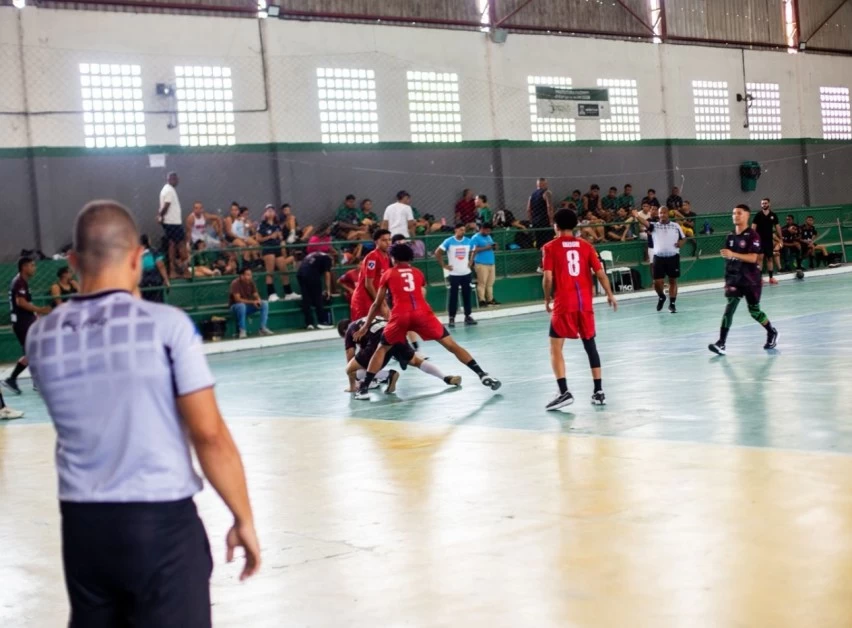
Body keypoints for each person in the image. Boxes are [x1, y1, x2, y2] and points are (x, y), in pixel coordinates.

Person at [27, 200, 260, 627]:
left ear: (74, 261)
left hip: (82, 527)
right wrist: (242, 516)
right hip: (159, 524)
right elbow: (209, 435)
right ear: (138, 257)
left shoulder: (41, 337)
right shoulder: (166, 326)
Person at [353, 243, 500, 400]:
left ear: (393, 258)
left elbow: (377, 303)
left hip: (400, 315)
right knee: (452, 345)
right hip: (423, 313)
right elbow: (420, 292)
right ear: (410, 257)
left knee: (381, 349)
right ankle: (482, 374)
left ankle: (364, 389)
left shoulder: (388, 274)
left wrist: (366, 326)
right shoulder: (417, 273)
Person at [541, 209, 617, 410]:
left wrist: (547, 298)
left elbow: (548, 277)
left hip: (564, 304)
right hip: (585, 304)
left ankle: (564, 391)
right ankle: (598, 391)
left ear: (555, 226)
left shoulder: (550, 247)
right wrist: (610, 294)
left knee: (555, 347)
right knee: (590, 345)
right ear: (575, 225)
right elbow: (600, 274)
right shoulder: (586, 246)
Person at [708, 204, 778, 356]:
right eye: (733, 213)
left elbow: (753, 258)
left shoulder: (753, 235)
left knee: (754, 312)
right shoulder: (730, 236)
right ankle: (721, 343)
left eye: (739, 213)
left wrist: (732, 253)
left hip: (751, 279)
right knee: (729, 309)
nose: (735, 216)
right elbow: (729, 259)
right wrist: (727, 279)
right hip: (735, 279)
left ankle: (771, 332)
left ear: (747, 215)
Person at [338, 317, 461, 394]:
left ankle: (389, 374)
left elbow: (350, 357)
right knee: (416, 361)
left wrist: (352, 385)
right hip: (394, 331)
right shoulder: (364, 320)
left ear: (344, 331)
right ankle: (445, 377)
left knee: (351, 370)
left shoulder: (350, 330)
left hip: (378, 340)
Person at [3, 256, 52, 395]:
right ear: (24, 267)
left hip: (25, 321)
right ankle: (12, 379)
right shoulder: (19, 282)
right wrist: (40, 309)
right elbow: (21, 303)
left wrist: (36, 316)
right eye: (32, 265)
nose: (34, 268)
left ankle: (34, 381)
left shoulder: (22, 282)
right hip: (22, 323)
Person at [632, 206, 685, 313]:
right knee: (657, 282)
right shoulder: (654, 226)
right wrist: (637, 216)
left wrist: (681, 243)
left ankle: (672, 304)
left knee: (672, 281)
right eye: (660, 213)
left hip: (673, 257)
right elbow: (644, 223)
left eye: (664, 213)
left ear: (668, 214)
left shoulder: (676, 226)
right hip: (658, 258)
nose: (662, 215)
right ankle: (661, 296)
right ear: (658, 214)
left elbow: (684, 238)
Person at [436, 223, 476, 327]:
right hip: (454, 274)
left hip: (466, 273)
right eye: (461, 230)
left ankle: (468, 316)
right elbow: (437, 252)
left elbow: (474, 250)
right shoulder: (449, 241)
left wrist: (471, 261)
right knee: (453, 296)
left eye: (464, 230)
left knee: (467, 295)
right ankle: (451, 318)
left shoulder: (469, 241)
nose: (463, 232)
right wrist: (444, 265)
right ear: (456, 230)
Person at [255, 205, 297, 302]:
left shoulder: (277, 225)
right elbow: (258, 239)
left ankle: (288, 293)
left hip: (277, 248)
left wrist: (280, 236)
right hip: (268, 249)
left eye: (272, 210)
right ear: (265, 213)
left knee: (284, 270)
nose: (270, 212)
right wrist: (270, 237)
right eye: (268, 210)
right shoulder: (262, 225)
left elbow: (280, 237)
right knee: (270, 272)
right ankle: (271, 294)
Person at [349, 229, 392, 320]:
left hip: (376, 299)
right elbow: (368, 284)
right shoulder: (372, 257)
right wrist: (380, 303)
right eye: (384, 240)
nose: (388, 243)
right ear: (376, 242)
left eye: (389, 239)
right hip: (364, 300)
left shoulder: (386, 257)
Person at [229, 267, 273, 339]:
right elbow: (237, 300)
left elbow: (255, 294)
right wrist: (253, 302)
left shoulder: (251, 283)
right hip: (235, 307)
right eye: (248, 275)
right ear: (242, 276)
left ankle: (263, 328)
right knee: (241, 306)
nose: (250, 277)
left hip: (247, 306)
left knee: (264, 303)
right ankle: (242, 330)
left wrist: (258, 301)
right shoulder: (235, 283)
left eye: (250, 275)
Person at [297, 251, 335, 330]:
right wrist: (328, 290)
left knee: (306, 299)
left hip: (300, 274)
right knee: (318, 299)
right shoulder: (327, 258)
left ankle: (309, 323)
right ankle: (322, 322)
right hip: (312, 275)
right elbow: (327, 274)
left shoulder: (316, 254)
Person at [158, 171, 184, 278]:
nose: (178, 181)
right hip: (173, 222)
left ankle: (174, 269)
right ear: (171, 179)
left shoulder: (167, 189)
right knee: (179, 244)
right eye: (176, 179)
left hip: (172, 222)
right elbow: (166, 205)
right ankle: (180, 268)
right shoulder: (169, 190)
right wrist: (160, 215)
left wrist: (161, 215)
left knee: (172, 244)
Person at [751, 198, 782, 284]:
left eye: (765, 203)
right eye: (762, 203)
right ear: (761, 205)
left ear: (769, 204)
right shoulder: (758, 215)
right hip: (759, 240)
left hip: (769, 240)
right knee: (760, 259)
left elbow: (777, 226)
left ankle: (771, 278)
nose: (764, 205)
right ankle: (759, 279)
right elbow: (753, 227)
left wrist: (781, 236)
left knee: (769, 258)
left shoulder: (773, 215)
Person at [471, 222, 499, 307]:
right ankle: (482, 300)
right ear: (482, 229)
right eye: (487, 230)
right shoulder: (475, 238)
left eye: (489, 231)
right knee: (482, 283)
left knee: (490, 283)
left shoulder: (489, 237)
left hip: (491, 262)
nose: (488, 232)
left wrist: (495, 247)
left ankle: (490, 299)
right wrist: (488, 247)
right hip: (481, 263)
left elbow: (491, 247)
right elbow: (473, 250)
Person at [139, 234, 171, 303]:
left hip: (142, 284)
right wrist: (166, 279)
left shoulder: (137, 255)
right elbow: (160, 265)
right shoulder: (154, 252)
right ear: (148, 242)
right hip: (154, 282)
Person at [527, 177, 554, 251]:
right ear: (544, 184)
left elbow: (528, 209)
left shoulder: (532, 195)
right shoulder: (547, 193)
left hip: (536, 222)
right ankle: (547, 260)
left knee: (539, 243)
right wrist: (551, 221)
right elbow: (549, 207)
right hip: (545, 221)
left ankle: (541, 260)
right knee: (548, 243)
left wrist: (531, 221)